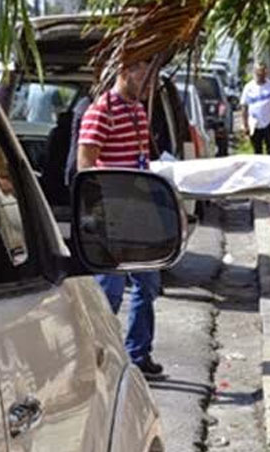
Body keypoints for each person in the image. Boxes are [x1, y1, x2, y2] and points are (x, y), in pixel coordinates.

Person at [76, 59, 164, 376]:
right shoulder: (101, 113)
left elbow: (141, 163)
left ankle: (137, 354)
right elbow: (84, 167)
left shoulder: (137, 111)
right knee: (109, 292)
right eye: (143, 75)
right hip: (111, 215)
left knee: (148, 283)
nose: (148, 85)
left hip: (138, 214)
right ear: (125, 72)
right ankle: (94, 355)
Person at [240, 62, 270, 155]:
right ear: (254, 73)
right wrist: (245, 126)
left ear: (265, 73)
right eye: (258, 73)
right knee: (257, 150)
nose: (260, 75)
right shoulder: (248, 88)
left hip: (268, 123)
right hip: (255, 124)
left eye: (262, 73)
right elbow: (244, 107)